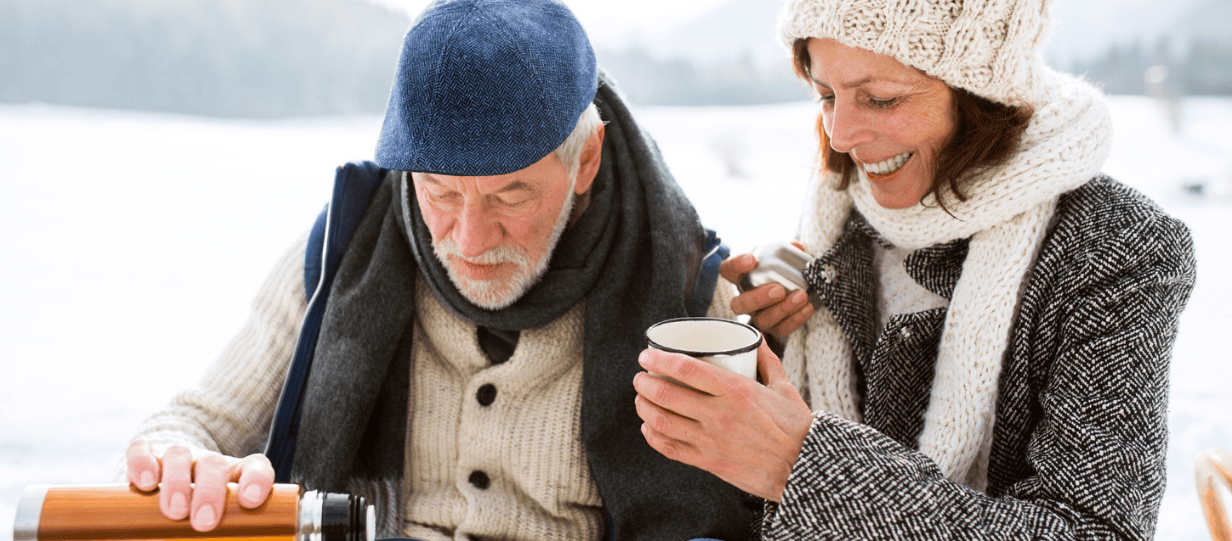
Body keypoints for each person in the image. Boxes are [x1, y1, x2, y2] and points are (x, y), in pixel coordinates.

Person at [120, 1, 755, 540]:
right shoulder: (339, 253)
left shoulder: (687, 294)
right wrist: (180, 458)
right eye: (440, 193)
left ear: (586, 161)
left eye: (511, 196)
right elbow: (193, 422)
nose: (470, 240)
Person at [632, 0, 1197, 538]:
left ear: (981, 96)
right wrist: (775, 350)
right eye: (826, 94)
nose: (841, 135)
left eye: (879, 99)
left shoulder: (1116, 248)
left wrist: (797, 464)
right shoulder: (841, 216)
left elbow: (1094, 531)